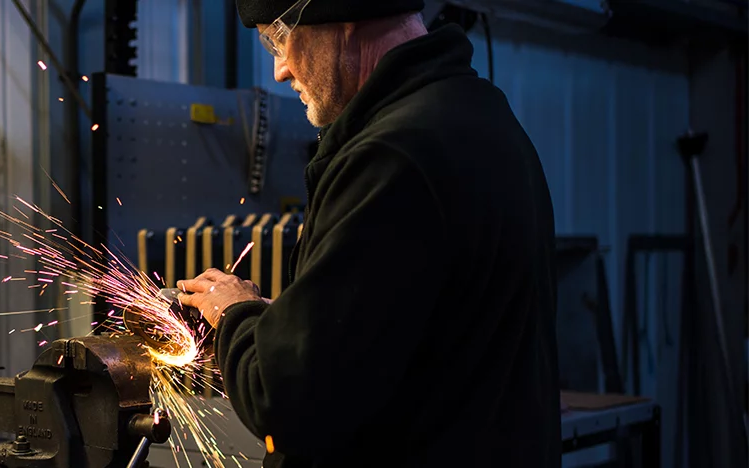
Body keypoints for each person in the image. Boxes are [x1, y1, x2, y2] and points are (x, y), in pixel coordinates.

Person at [174, 0, 561, 466]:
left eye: (279, 38)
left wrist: (234, 313)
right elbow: (417, 332)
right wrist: (291, 324)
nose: (279, 70)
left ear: (345, 21)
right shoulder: (483, 117)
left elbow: (284, 402)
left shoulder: (392, 157)